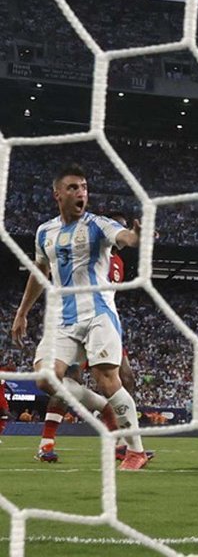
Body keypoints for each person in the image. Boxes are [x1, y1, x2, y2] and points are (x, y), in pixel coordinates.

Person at [10, 164, 150, 470]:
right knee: (46, 378)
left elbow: (123, 236)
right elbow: (39, 271)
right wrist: (22, 312)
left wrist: (135, 236)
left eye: (84, 187)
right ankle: (104, 408)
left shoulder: (98, 225)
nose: (81, 193)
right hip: (62, 317)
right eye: (73, 187)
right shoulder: (45, 232)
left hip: (97, 313)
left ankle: (136, 450)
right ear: (57, 194)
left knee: (107, 378)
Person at [37, 209, 144, 464]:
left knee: (124, 377)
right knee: (62, 379)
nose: (118, 233)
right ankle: (47, 441)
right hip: (73, 320)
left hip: (102, 321)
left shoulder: (117, 263)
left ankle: (122, 440)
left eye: (122, 227)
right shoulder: (87, 248)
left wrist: (133, 236)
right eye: (116, 227)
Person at [0, 378, 10, 442]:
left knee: (4, 418)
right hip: (1, 401)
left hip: (2, 401)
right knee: (4, 416)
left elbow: (4, 383)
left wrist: (11, 391)